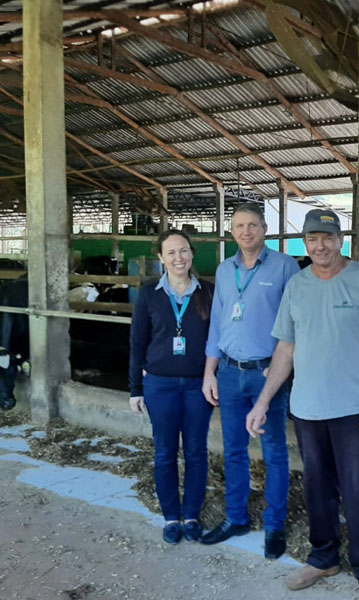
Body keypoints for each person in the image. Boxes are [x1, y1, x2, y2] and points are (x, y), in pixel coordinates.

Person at [245, 209, 359, 600]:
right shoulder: (297, 285)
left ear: (341, 240)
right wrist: (263, 402)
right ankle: (324, 557)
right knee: (317, 490)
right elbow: (285, 348)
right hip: (308, 409)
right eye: (313, 238)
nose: (320, 245)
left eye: (328, 238)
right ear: (305, 243)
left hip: (356, 409)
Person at [201, 203, 300, 558]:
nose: (246, 231)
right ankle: (236, 517)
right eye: (240, 226)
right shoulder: (224, 269)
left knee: (274, 451)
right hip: (229, 372)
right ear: (232, 232)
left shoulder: (285, 266)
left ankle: (274, 526)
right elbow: (217, 322)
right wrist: (209, 371)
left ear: (264, 229)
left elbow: (295, 324)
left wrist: (283, 369)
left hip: (267, 374)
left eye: (253, 225)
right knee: (234, 450)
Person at [129, 229, 215, 545]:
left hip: (197, 386)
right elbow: (137, 342)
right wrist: (135, 388)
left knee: (196, 452)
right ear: (161, 258)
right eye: (171, 252)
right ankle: (170, 517)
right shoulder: (149, 293)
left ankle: (191, 515)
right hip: (159, 385)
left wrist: (214, 377)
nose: (179, 258)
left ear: (192, 253)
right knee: (165, 453)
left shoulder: (209, 291)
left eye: (183, 251)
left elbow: (216, 340)